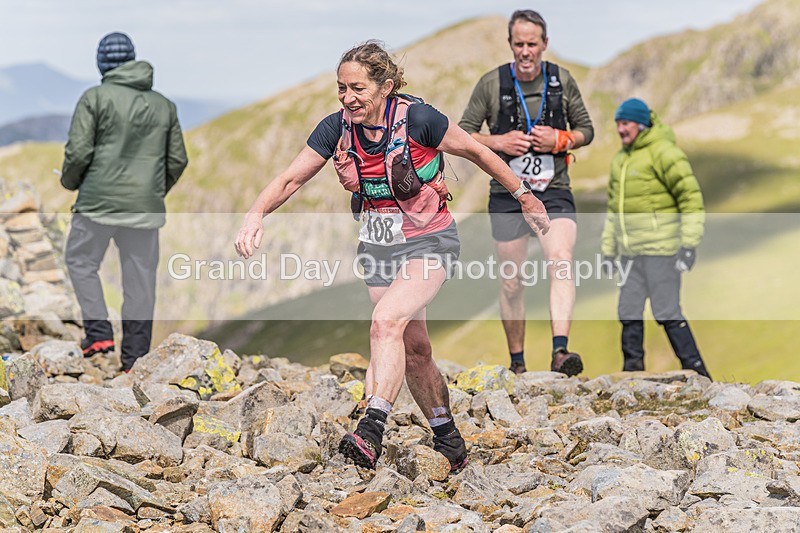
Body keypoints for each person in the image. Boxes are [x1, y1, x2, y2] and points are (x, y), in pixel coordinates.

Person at [234, 41, 550, 471]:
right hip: (378, 246)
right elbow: (291, 179)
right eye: (341, 88)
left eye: (357, 88)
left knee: (385, 322)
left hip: (430, 242)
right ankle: (449, 441)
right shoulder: (336, 128)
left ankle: (371, 429)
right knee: (414, 347)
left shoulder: (420, 119)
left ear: (385, 87)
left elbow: (477, 151)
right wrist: (256, 214)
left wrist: (524, 197)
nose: (348, 98)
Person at [459, 9, 594, 376]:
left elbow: (586, 130)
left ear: (544, 44)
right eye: (518, 44)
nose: (525, 51)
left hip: (553, 190)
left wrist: (560, 139)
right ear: (510, 44)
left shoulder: (562, 81)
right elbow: (463, 134)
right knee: (512, 281)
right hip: (508, 193)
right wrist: (499, 141)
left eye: (532, 44)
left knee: (561, 258)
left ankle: (560, 352)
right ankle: (517, 362)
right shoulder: (491, 84)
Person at [61, 32, 188, 372]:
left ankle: (99, 334)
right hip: (144, 209)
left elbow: (78, 153)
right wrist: (152, 192)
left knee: (80, 260)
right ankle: (134, 361)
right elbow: (177, 160)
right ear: (132, 59)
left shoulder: (94, 98)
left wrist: (70, 182)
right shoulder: (164, 105)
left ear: (101, 63)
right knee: (140, 279)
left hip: (96, 204)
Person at [601, 98, 711, 379]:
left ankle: (699, 374)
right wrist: (608, 252)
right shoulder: (620, 160)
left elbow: (690, 198)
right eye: (618, 123)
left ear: (641, 124)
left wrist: (689, 245)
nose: (620, 129)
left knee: (667, 312)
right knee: (628, 312)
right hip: (630, 254)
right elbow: (614, 210)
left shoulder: (665, 152)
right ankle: (632, 375)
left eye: (625, 123)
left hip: (662, 250)